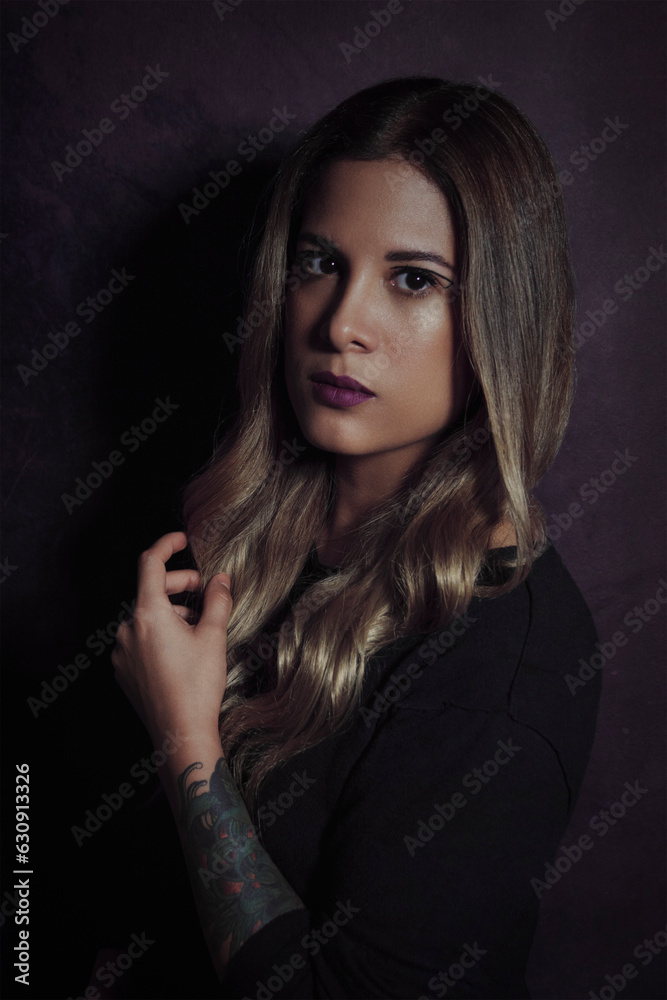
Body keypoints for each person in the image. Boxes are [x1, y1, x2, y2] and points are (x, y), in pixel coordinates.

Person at [111, 76, 602, 1000]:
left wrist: (184, 741)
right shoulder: (233, 532)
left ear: (502, 319)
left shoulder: (501, 669)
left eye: (414, 279)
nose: (341, 325)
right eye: (318, 263)